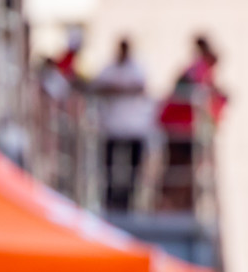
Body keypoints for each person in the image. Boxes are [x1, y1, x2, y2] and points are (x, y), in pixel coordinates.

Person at [158, 34, 227, 212]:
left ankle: (179, 203)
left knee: (184, 168)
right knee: (179, 168)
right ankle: (173, 204)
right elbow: (201, 96)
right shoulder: (198, 69)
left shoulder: (196, 69)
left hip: (184, 126)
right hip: (180, 126)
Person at [95, 37, 155, 212]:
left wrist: (118, 89)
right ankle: (111, 200)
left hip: (135, 128)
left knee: (133, 169)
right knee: (110, 167)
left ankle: (129, 201)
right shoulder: (109, 67)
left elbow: (139, 87)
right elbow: (100, 86)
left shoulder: (137, 67)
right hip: (112, 127)